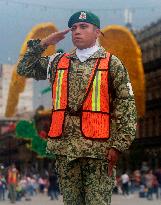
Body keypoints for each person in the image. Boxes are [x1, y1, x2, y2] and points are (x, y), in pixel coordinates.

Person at [17, 10, 137, 205]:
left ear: (97, 32)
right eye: (73, 28)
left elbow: (127, 106)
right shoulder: (57, 62)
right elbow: (24, 68)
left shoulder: (112, 64)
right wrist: (45, 43)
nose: (77, 32)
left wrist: (118, 146)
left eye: (83, 27)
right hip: (66, 150)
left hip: (99, 151)